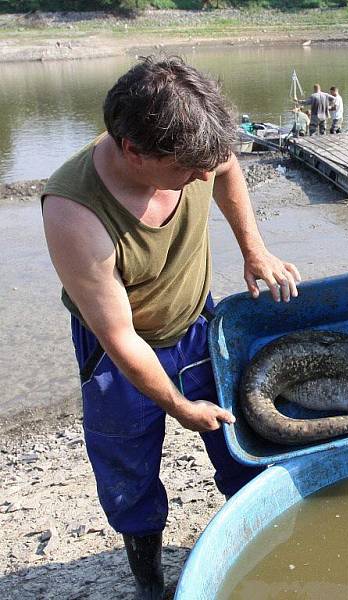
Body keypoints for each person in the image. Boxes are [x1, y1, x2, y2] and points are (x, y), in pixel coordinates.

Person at [41, 56, 301, 599]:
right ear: (134, 151)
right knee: (127, 471)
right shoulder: (75, 213)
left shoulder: (195, 143)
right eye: (188, 169)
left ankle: (262, 542)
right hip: (120, 351)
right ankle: (149, 577)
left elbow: (226, 166)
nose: (203, 176)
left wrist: (254, 251)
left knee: (241, 443)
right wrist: (180, 409)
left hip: (199, 323)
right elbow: (119, 338)